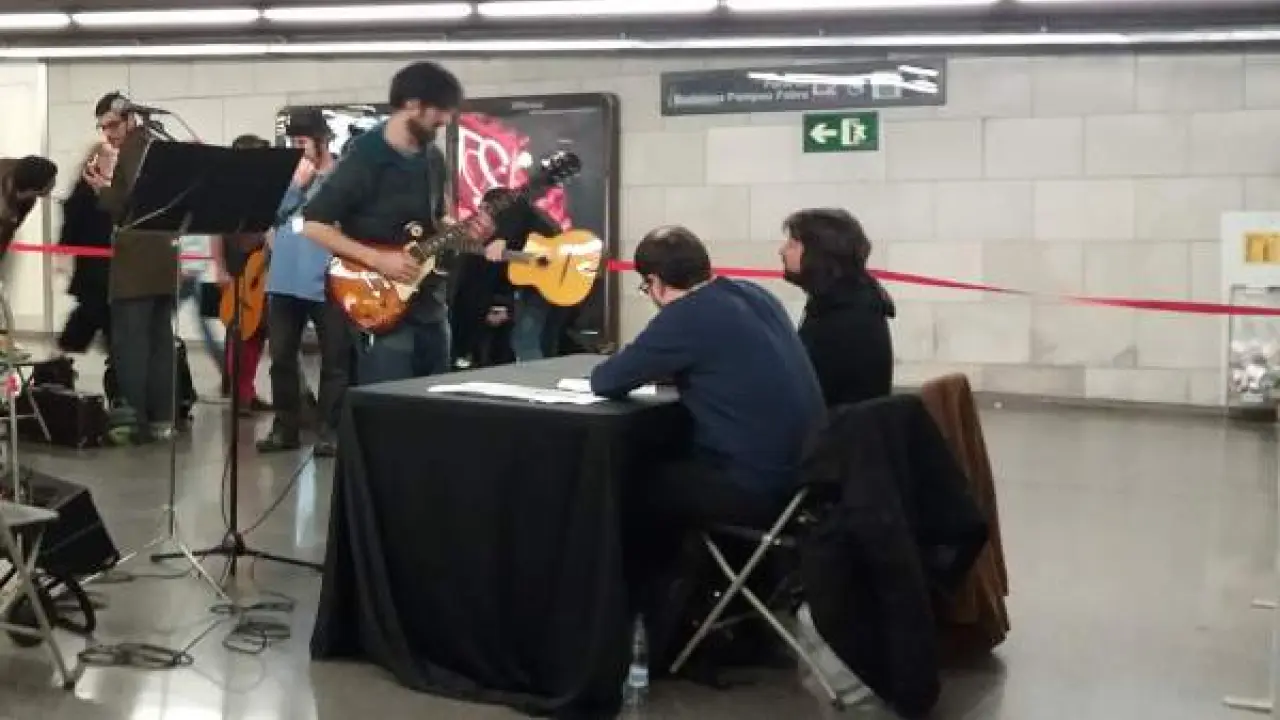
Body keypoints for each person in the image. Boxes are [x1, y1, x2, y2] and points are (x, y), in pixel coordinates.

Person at [302, 61, 497, 384]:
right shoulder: (364, 157)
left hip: (430, 303)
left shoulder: (432, 158)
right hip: (381, 304)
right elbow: (312, 224)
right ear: (412, 105)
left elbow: (438, 218)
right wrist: (378, 259)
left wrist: (467, 232)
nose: (446, 121)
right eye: (439, 112)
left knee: (437, 395)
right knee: (392, 399)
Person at [86, 92, 179, 444]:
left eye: (112, 125)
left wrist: (102, 188)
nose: (108, 134)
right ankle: (163, 419)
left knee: (131, 347)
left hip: (136, 265)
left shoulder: (132, 150)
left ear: (130, 119)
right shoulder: (157, 145)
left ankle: (134, 422)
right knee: (161, 344)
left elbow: (127, 206)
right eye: (102, 128)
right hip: (163, 262)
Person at [257, 109, 350, 456]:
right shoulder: (288, 176)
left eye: (302, 142)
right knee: (281, 357)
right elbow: (270, 213)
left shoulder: (343, 176)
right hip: (285, 279)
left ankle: (330, 430)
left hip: (329, 279)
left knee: (335, 359)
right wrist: (296, 186)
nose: (298, 148)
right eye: (293, 142)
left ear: (322, 141)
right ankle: (286, 428)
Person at [779, 208, 895, 408]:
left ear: (818, 254)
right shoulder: (842, 301)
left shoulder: (844, 316)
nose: (782, 251)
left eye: (792, 245)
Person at [451, 186, 561, 367]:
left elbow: (519, 206)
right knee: (528, 341)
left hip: (545, 290)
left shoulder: (523, 219)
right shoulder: (496, 241)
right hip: (534, 294)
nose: (480, 218)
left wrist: (502, 238)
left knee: (526, 341)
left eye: (484, 211)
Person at [219, 133, 272, 416]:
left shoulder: (263, 187)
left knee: (257, 331)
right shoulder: (230, 189)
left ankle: (247, 391)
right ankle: (240, 395)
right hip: (239, 262)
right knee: (241, 333)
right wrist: (219, 267)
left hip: (261, 263)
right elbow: (217, 231)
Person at [57, 146, 112, 355]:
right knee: (94, 309)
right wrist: (63, 254)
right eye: (107, 157)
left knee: (101, 310)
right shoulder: (83, 190)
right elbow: (71, 224)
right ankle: (64, 351)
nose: (111, 162)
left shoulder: (112, 190)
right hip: (92, 262)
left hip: (110, 262)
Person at [0, 155, 57, 258]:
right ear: (32, 190)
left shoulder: (19, 170)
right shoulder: (5, 211)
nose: (54, 184)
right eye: (51, 182)